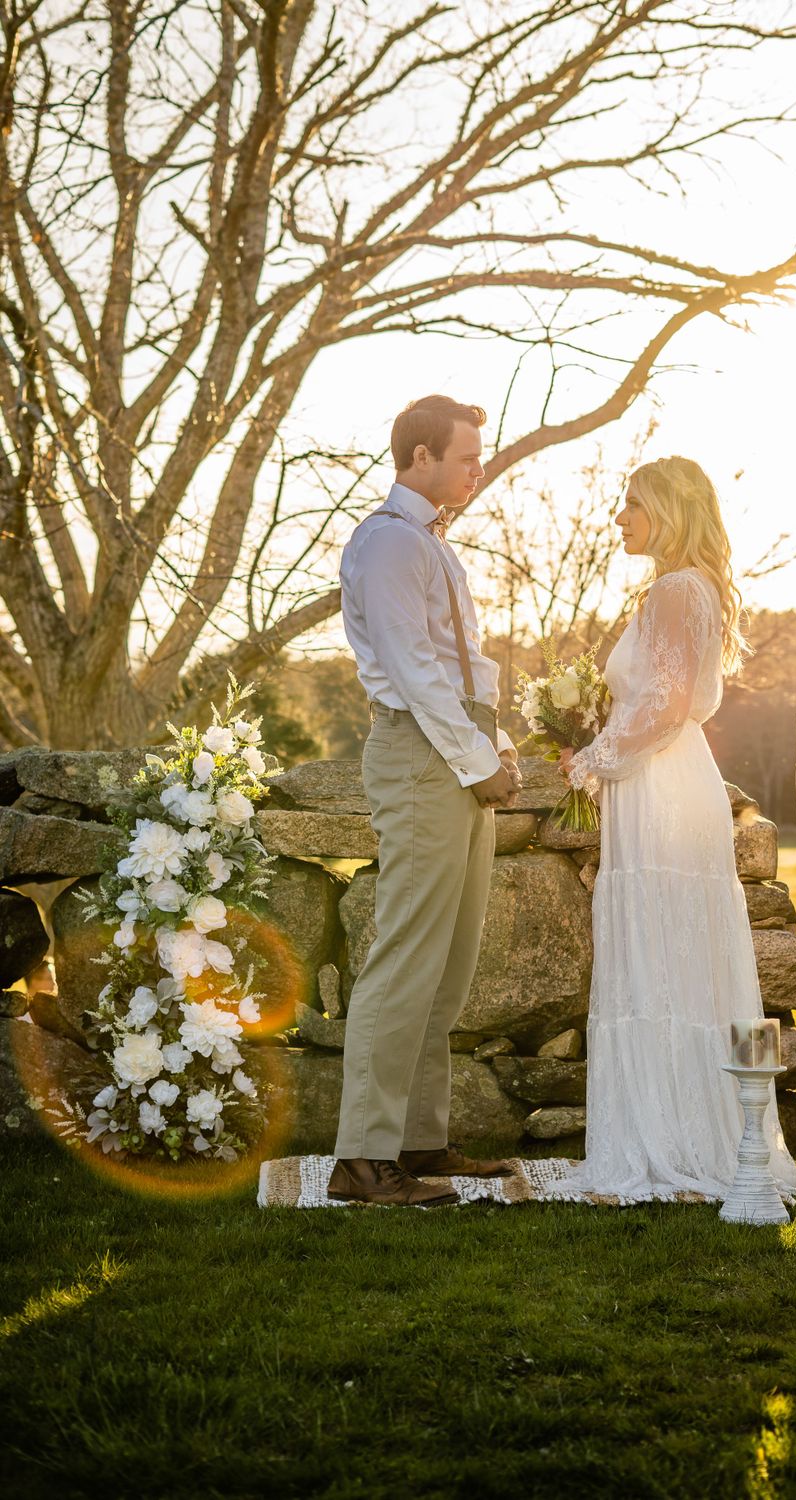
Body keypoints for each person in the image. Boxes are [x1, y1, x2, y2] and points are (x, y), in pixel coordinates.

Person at [547, 455, 796, 1203]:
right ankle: (692, 1132)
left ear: (668, 511)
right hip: (673, 780)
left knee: (661, 955)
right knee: (675, 958)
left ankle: (669, 1144)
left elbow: (661, 707)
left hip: (660, 786)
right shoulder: (693, 588)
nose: (618, 519)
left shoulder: (674, 589)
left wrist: (590, 761)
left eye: (631, 505)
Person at [327, 395, 521, 1208]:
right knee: (406, 955)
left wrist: (500, 743)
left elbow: (468, 661)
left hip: (462, 748)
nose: (480, 468)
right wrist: (477, 760)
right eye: (467, 456)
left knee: (448, 964)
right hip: (422, 753)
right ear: (419, 457)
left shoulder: (434, 546)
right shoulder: (384, 544)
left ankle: (420, 1139)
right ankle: (362, 1160)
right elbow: (413, 670)